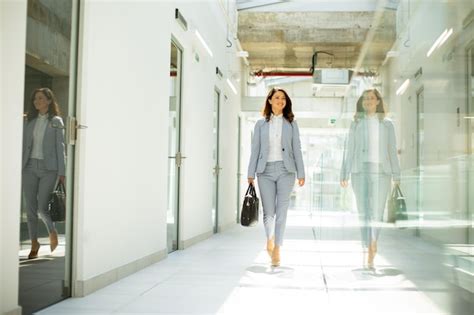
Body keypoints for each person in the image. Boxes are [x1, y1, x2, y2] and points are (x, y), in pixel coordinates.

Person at [340, 88, 400, 269]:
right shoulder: (356, 123)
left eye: (371, 98)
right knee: (363, 211)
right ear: (362, 102)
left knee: (377, 211)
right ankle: (367, 245)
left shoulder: (387, 124)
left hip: (382, 172)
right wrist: (344, 173)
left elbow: (392, 150)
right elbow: (349, 149)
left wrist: (397, 174)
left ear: (378, 101)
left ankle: (373, 242)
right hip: (360, 171)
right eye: (365, 98)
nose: (368, 101)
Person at [247, 87, 305, 267]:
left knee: (282, 211)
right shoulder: (260, 124)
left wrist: (301, 173)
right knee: (269, 212)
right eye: (277, 97)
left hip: (286, 170)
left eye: (283, 99)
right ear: (270, 100)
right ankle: (269, 238)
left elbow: (297, 149)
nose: (281, 101)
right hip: (264, 171)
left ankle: (277, 247)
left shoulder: (291, 124)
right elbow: (255, 150)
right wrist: (250, 173)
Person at [22, 88, 66, 259]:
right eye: (35, 99)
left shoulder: (56, 121)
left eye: (40, 98)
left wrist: (62, 172)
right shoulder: (29, 121)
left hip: (49, 169)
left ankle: (52, 230)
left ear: (49, 101)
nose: (36, 101)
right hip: (29, 167)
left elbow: (60, 147)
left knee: (42, 208)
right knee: (30, 209)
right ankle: (34, 243)